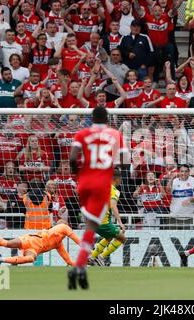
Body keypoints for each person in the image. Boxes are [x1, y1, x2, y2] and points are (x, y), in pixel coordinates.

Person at [68, 107, 127, 290]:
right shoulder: (114, 134)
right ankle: (83, 264)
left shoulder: (81, 133)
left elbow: (72, 158)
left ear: (91, 118)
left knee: (91, 226)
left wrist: (78, 174)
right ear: (107, 119)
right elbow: (125, 160)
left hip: (84, 183)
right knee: (93, 226)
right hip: (101, 183)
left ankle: (80, 266)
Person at [0, 220, 81, 265]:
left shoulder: (58, 244)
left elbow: (69, 261)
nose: (62, 224)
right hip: (28, 240)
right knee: (8, 244)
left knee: (31, 259)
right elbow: (76, 240)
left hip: (33, 250)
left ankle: (0, 259)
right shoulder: (62, 227)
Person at [89, 168, 126, 266]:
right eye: (120, 178)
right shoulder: (114, 191)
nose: (121, 181)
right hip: (103, 223)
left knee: (109, 237)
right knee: (122, 238)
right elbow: (113, 206)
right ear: (116, 179)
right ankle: (101, 257)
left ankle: (92, 257)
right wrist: (120, 223)